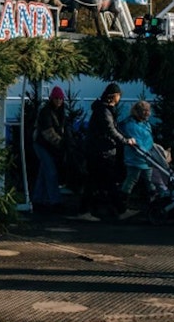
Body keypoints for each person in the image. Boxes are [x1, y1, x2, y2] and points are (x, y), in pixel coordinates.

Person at [70, 84, 133, 222]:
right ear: (113, 96)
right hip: (101, 152)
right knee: (106, 181)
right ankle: (119, 209)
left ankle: (86, 210)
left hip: (99, 151)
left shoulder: (103, 110)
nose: (119, 98)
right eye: (118, 95)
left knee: (94, 182)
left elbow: (112, 129)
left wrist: (124, 139)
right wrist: (125, 140)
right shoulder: (104, 111)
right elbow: (110, 129)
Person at [115, 100, 155, 221]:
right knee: (136, 180)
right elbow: (138, 142)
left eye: (148, 111)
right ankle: (122, 205)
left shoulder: (143, 123)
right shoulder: (132, 125)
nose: (147, 113)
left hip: (145, 157)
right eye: (145, 111)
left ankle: (151, 205)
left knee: (143, 180)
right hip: (138, 157)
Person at [31, 86, 67, 212]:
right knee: (51, 172)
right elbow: (48, 132)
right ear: (52, 98)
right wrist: (62, 143)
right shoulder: (46, 112)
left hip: (47, 145)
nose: (59, 101)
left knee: (44, 172)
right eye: (56, 98)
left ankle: (37, 199)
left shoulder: (57, 111)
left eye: (60, 99)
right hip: (42, 144)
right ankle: (55, 201)